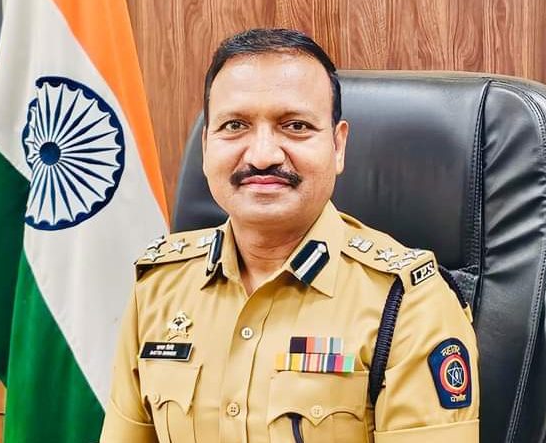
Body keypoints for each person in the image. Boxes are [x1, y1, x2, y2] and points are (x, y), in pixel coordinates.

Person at [99, 28, 479, 443]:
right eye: (235, 125)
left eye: (295, 126)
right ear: (206, 146)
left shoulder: (407, 302)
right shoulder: (159, 288)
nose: (263, 155)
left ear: (338, 146)